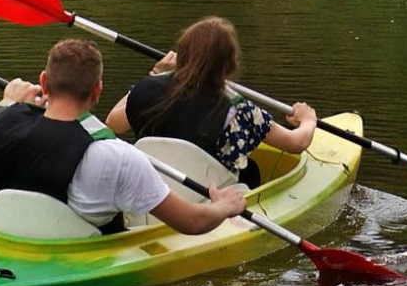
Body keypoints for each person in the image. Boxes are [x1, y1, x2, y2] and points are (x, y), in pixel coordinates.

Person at [0, 39, 246, 235]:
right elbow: (192, 223)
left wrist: (4, 105)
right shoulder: (117, 157)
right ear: (97, 91)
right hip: (77, 260)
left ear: (44, 81)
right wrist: (224, 207)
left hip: (7, 242)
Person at [105, 16, 318, 188]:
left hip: (157, 197)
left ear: (181, 56)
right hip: (212, 202)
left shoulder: (145, 90)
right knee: (250, 170)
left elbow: (113, 123)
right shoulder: (239, 110)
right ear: (230, 65)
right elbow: (296, 143)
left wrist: (155, 74)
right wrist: (308, 119)